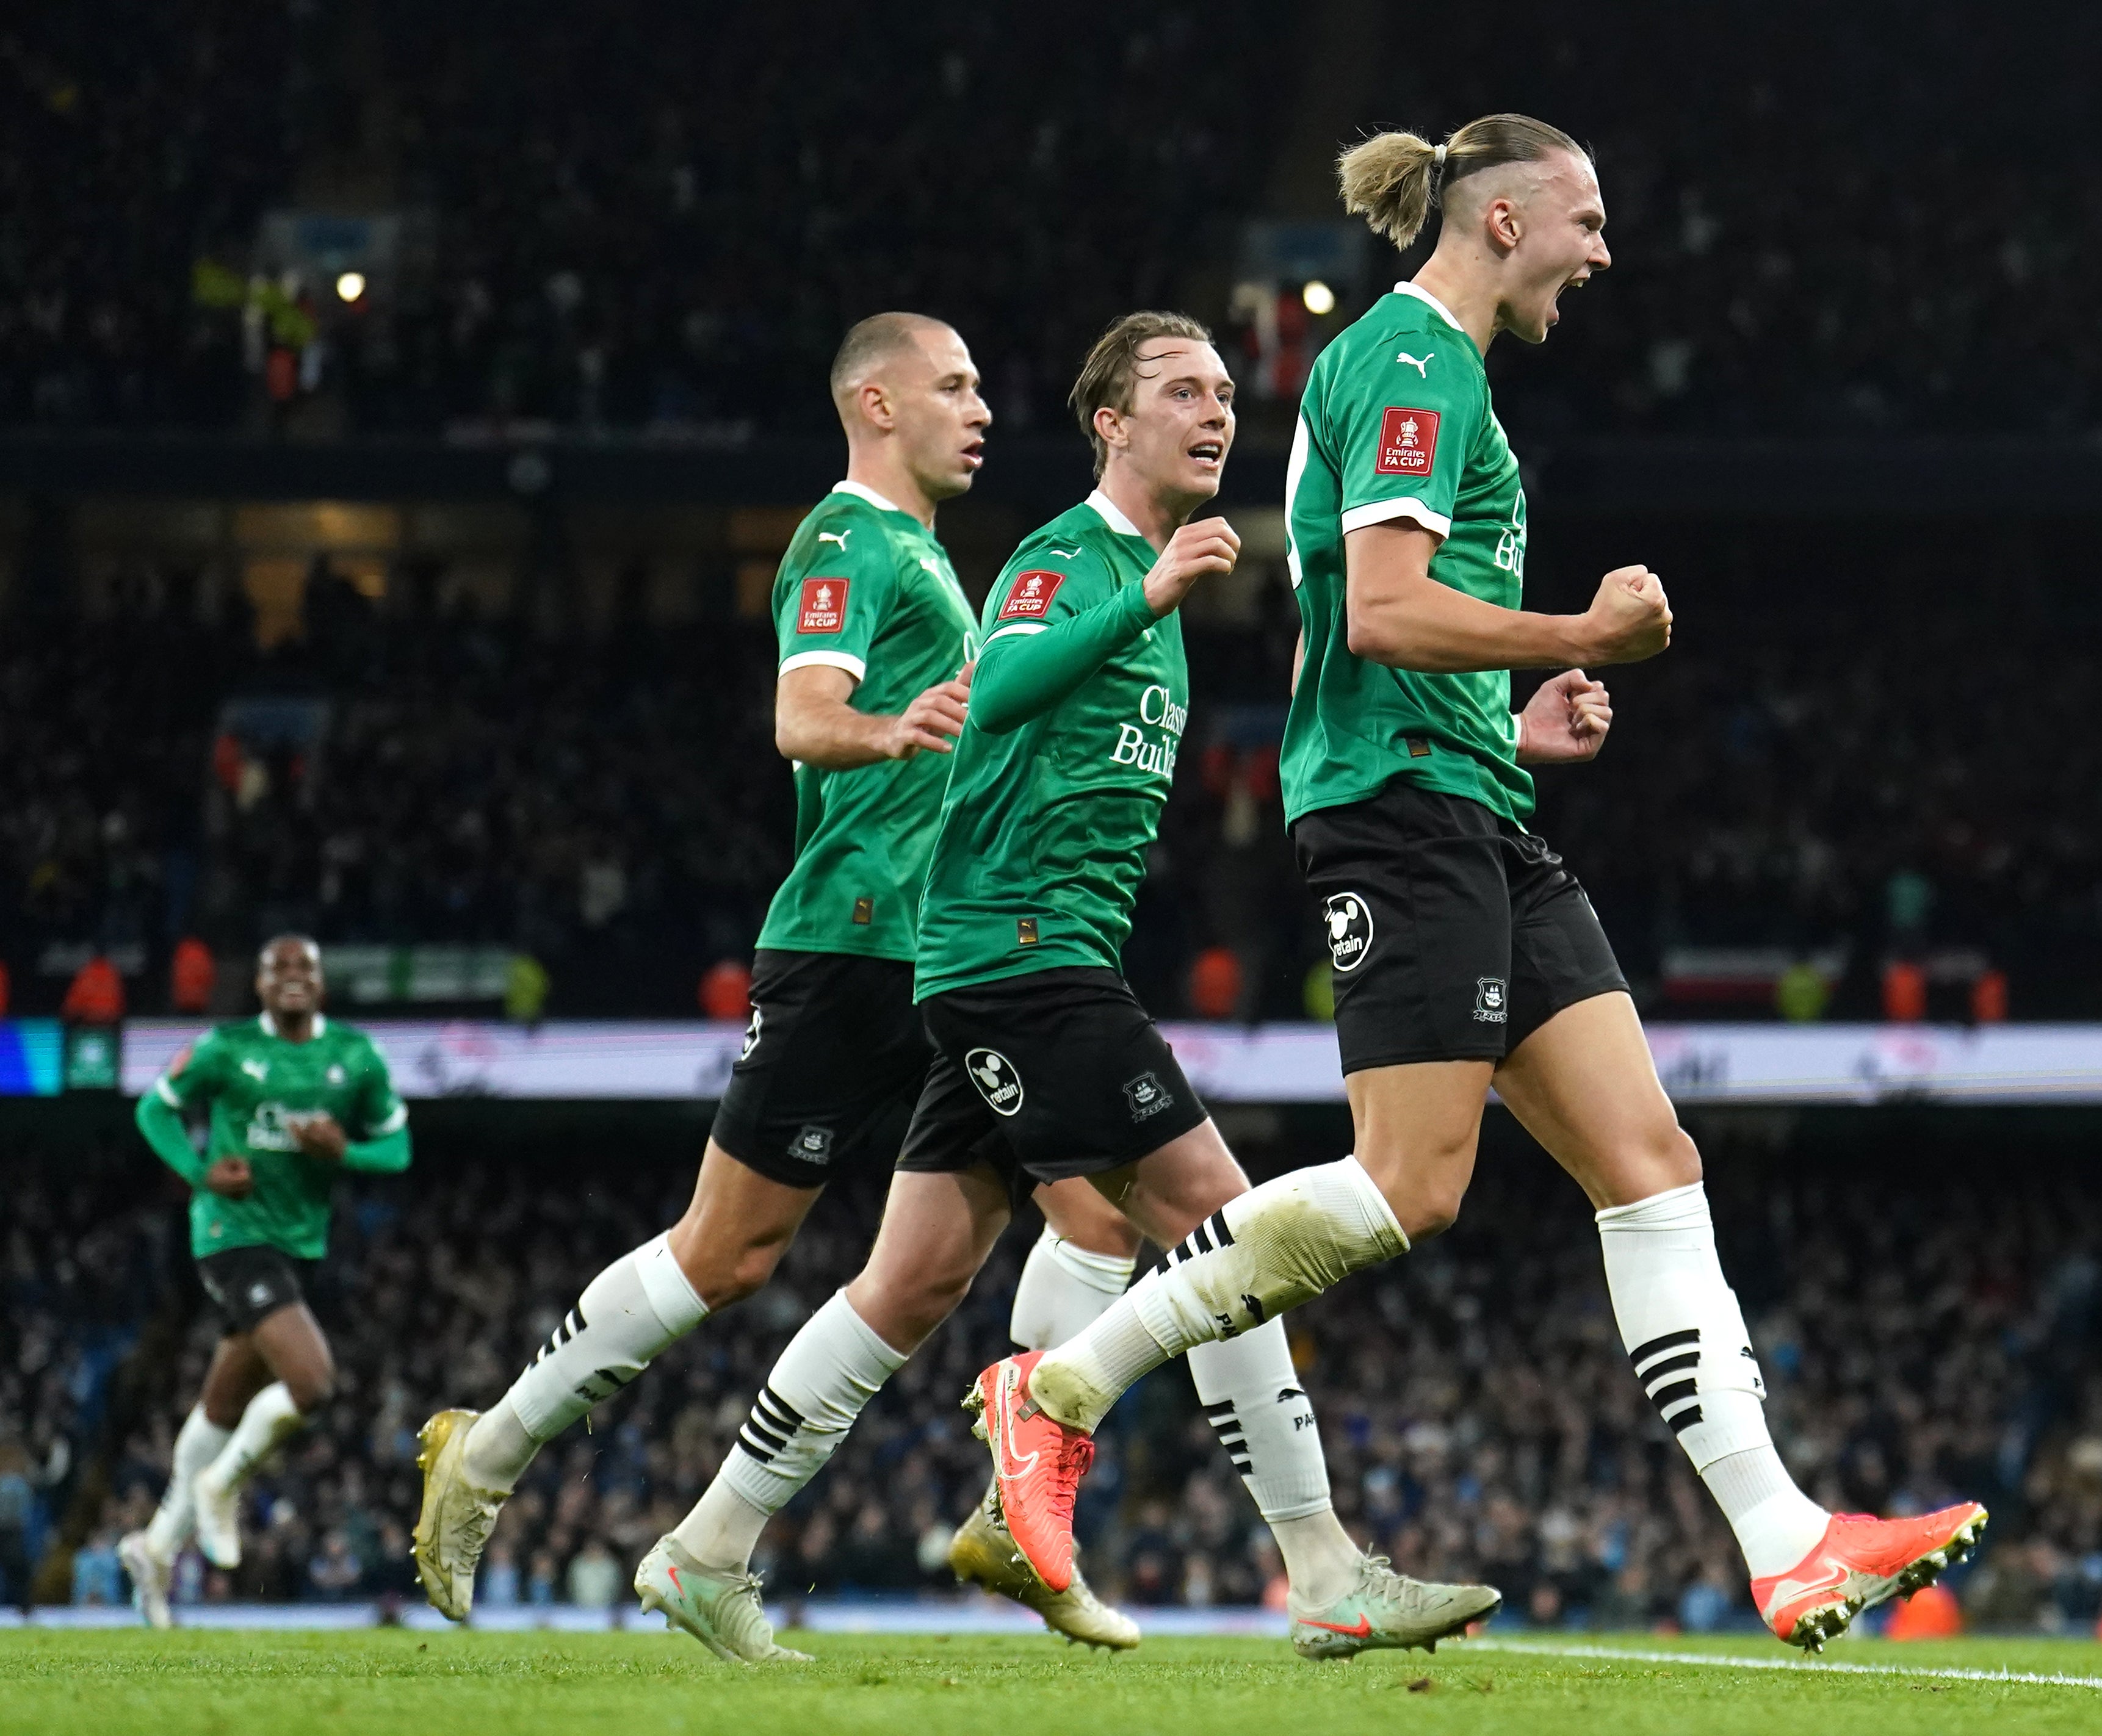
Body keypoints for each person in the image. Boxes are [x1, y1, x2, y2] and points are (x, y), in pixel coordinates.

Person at [967, 116, 1987, 1654]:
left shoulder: (1435, 375)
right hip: (1401, 820)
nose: (1599, 250)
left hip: (1471, 801)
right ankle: (1064, 1389)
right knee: (1409, 1182)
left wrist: (1515, 719)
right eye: (1582, 218)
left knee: (1650, 1158)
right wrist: (1580, 633)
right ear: (1502, 218)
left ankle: (1787, 1542)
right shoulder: (1411, 361)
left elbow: (1354, 631)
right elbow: (1377, 613)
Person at [636, 311, 1494, 1665]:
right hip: (1015, 957)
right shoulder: (1068, 555)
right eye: (1179, 392)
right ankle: (1325, 1569)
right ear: (1111, 423)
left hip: (1028, 961)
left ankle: (707, 1547)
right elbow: (995, 689)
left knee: (912, 1279)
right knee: (1223, 1218)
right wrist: (1145, 597)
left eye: (1224, 394)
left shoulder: (1149, 589)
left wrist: (1520, 733)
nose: (1214, 413)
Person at [410, 312, 1147, 1648]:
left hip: (958, 955)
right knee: (728, 1252)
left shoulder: (924, 550)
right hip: (856, 943)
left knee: (1053, 1231)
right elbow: (802, 717)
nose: (984, 407)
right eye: (956, 385)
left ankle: (980, 1522)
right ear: (876, 402)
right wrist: (896, 729)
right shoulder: (847, 538)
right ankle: (492, 1452)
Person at [119, 935, 412, 1627]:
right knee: (313, 1382)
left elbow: (398, 1147)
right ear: (258, 984)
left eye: (304, 967)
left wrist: (346, 1150)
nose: (291, 977)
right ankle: (222, 1487)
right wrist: (197, 1172)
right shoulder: (223, 1049)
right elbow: (153, 1109)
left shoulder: (353, 1057)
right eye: (277, 968)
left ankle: (155, 1547)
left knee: (222, 1404)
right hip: (231, 1233)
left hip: (299, 1244)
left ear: (320, 983)